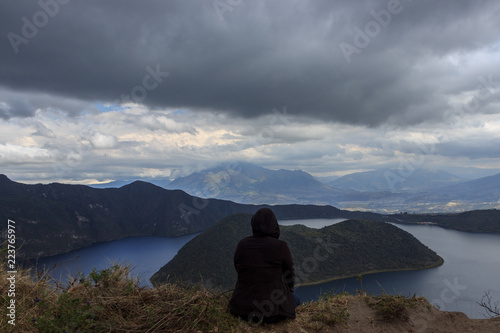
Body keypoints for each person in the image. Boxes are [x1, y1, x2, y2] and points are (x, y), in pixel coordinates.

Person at [228, 208, 300, 324]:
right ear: (274, 225)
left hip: (239, 310)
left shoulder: (242, 245)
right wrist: (287, 289)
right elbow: (289, 276)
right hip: (270, 314)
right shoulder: (281, 246)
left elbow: (238, 268)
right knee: (296, 298)